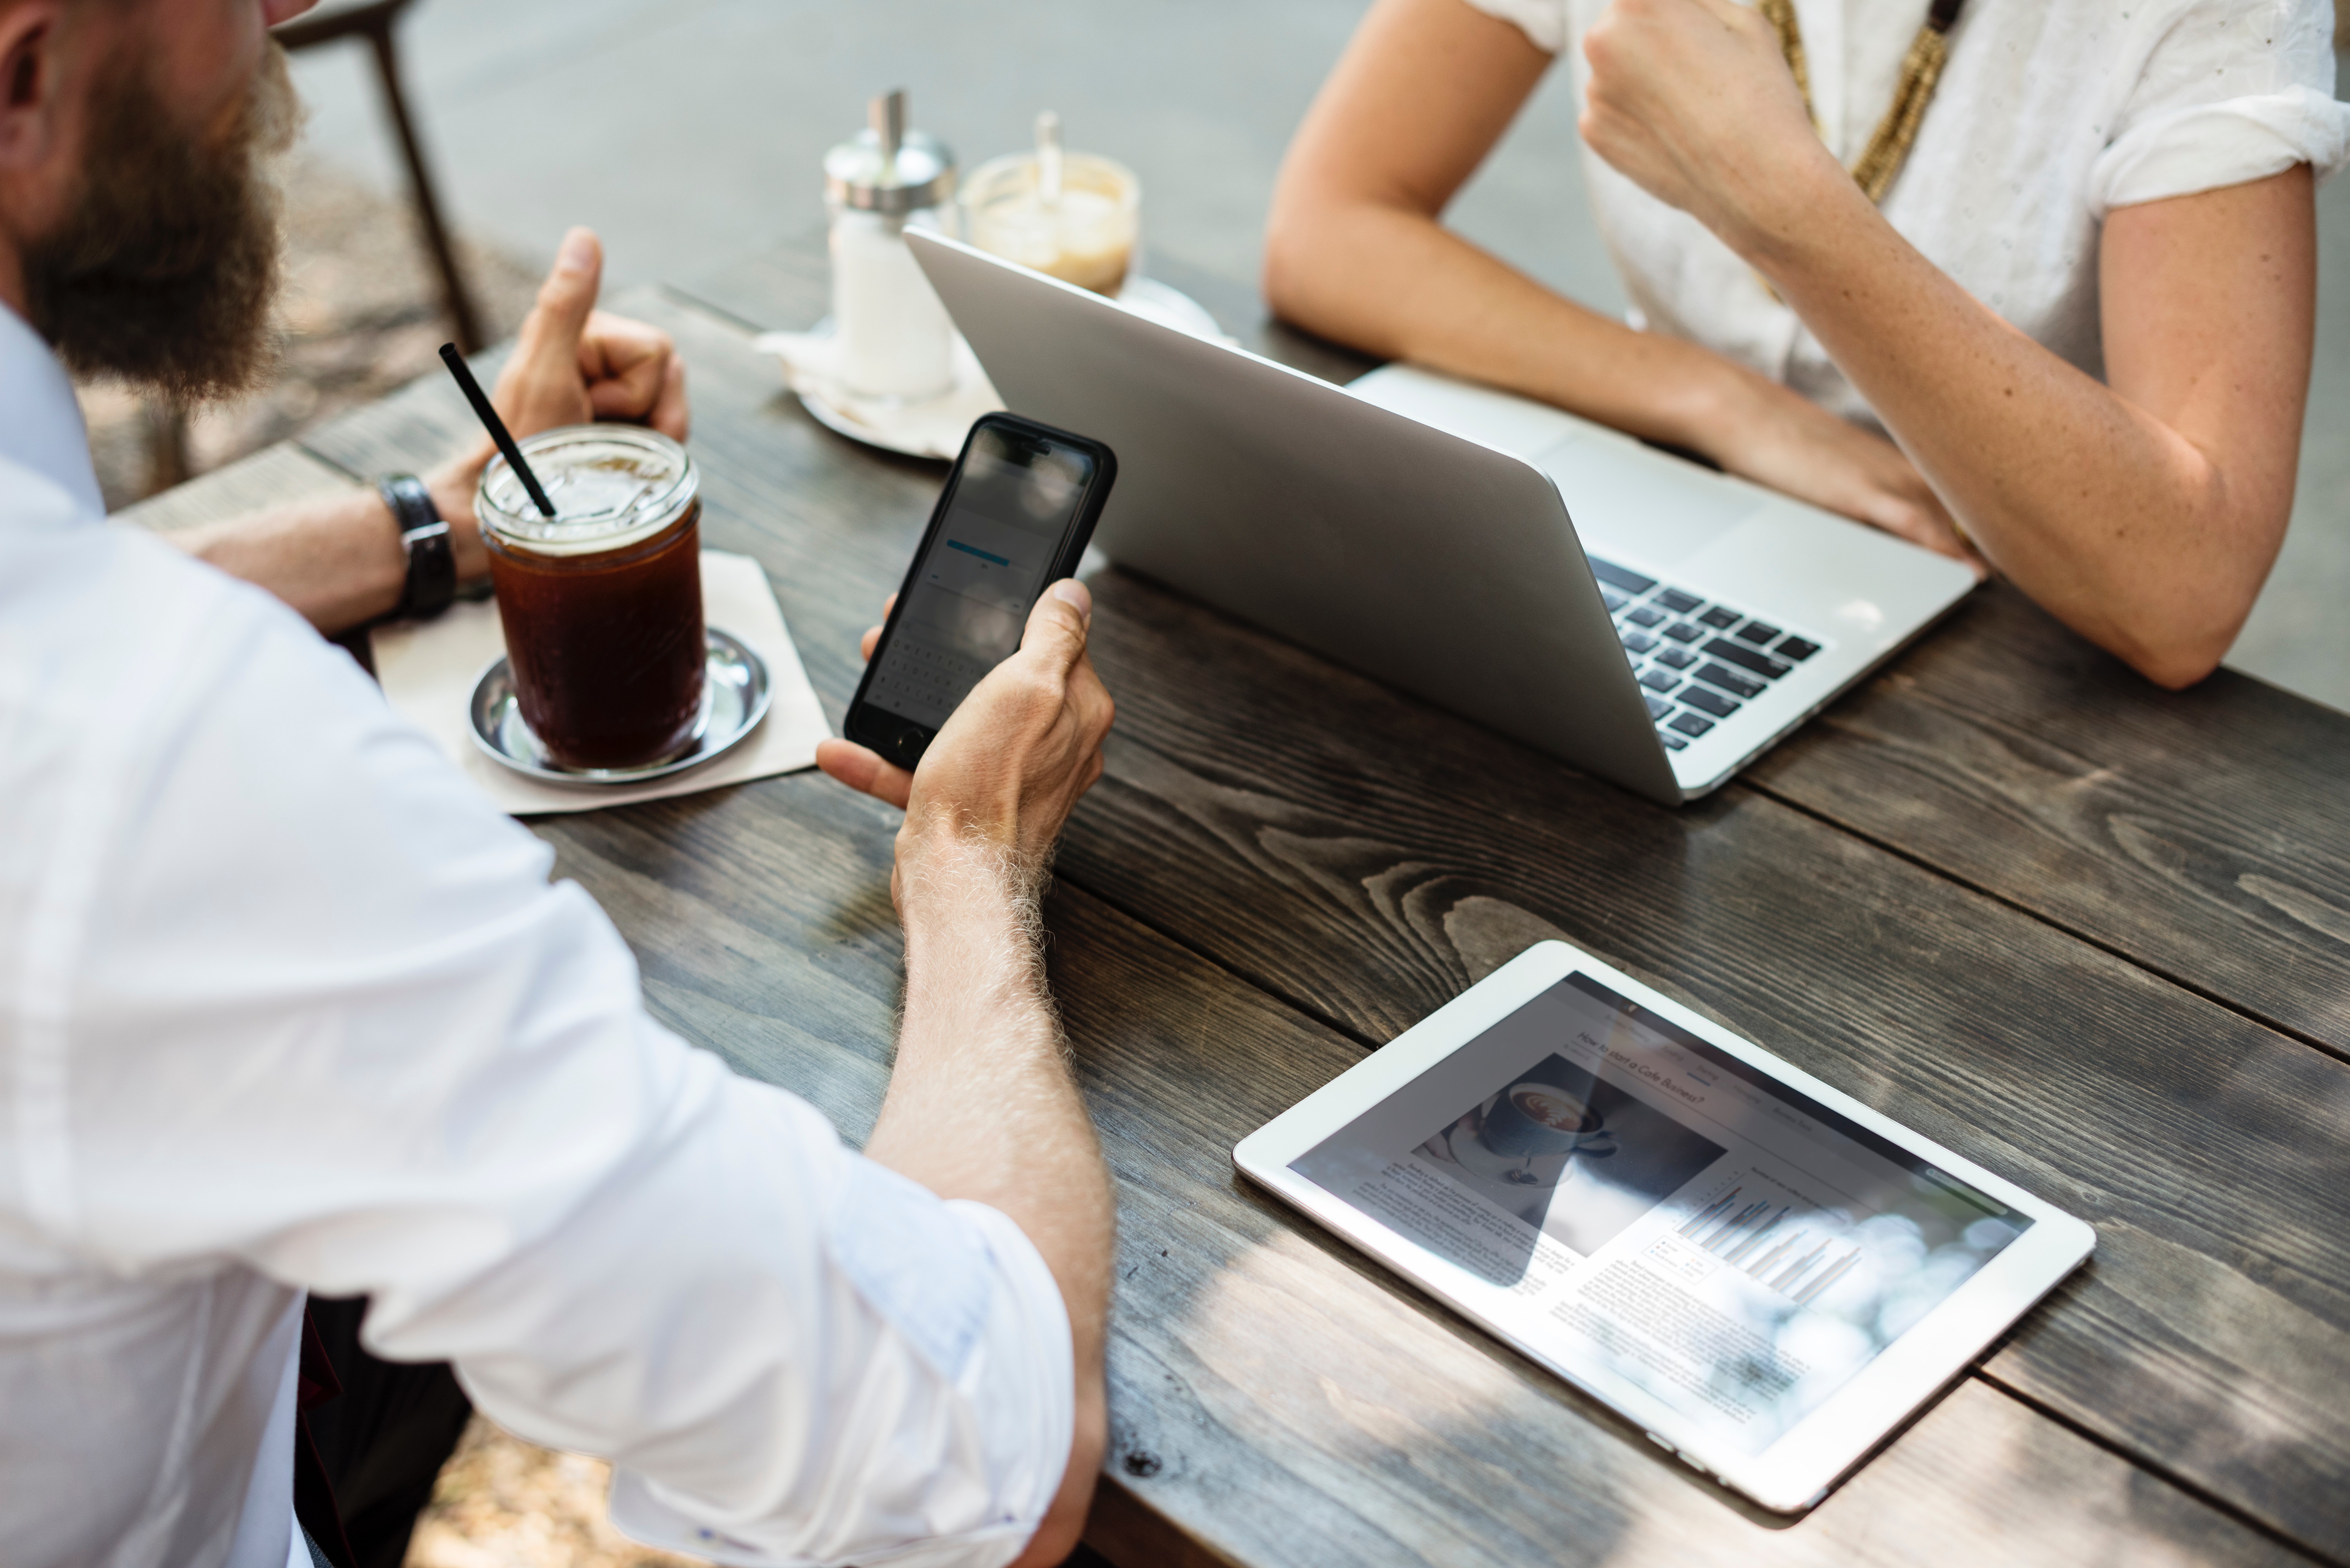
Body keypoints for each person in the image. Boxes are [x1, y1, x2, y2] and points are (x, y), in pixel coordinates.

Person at [0, 4, 1117, 1568]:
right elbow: (976, 1450)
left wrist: (437, 523)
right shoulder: (167, 755)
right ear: (24, 76)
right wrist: (972, 857)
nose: (281, 27)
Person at [1265, 0, 2349, 688]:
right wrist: (1726, 404)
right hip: (1676, 523)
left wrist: (1786, 208)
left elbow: (2184, 593)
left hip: (2013, 619)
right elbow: (1329, 228)